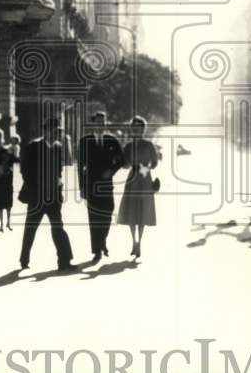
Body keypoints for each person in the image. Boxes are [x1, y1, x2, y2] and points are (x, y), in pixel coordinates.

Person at [18, 117, 74, 271]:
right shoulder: (33, 146)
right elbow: (25, 170)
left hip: (54, 197)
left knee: (58, 228)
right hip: (37, 196)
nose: (57, 134)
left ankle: (65, 261)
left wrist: (59, 181)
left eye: (58, 131)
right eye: (54, 130)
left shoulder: (58, 147)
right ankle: (24, 260)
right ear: (45, 130)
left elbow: (60, 168)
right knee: (31, 228)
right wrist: (37, 186)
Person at [77, 111, 125, 261]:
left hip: (106, 185)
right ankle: (97, 250)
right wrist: (82, 187)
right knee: (94, 217)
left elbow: (121, 160)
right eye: (98, 122)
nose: (101, 125)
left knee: (108, 213)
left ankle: (102, 240)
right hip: (91, 185)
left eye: (103, 122)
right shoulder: (85, 141)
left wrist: (111, 171)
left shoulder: (112, 140)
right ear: (93, 123)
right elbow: (80, 166)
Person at [117, 115, 159, 259]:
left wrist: (146, 168)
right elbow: (124, 164)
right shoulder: (128, 146)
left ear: (143, 129)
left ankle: (139, 242)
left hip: (145, 179)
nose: (136, 130)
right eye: (134, 128)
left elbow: (154, 162)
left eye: (139, 127)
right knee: (131, 211)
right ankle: (133, 241)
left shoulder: (148, 144)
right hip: (132, 180)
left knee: (142, 211)